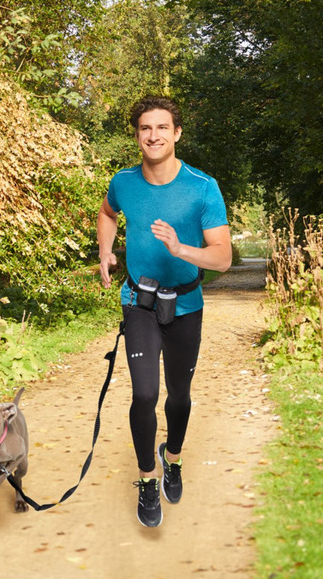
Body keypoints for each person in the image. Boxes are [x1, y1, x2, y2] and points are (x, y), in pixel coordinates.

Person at [97, 95, 231, 527]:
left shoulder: (202, 187)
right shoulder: (123, 182)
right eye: (144, 129)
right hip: (139, 301)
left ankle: (171, 457)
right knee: (144, 394)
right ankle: (148, 479)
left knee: (179, 395)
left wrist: (179, 248)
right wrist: (105, 252)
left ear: (176, 133)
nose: (152, 136)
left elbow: (223, 258)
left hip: (187, 304)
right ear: (137, 135)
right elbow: (106, 212)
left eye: (161, 128)